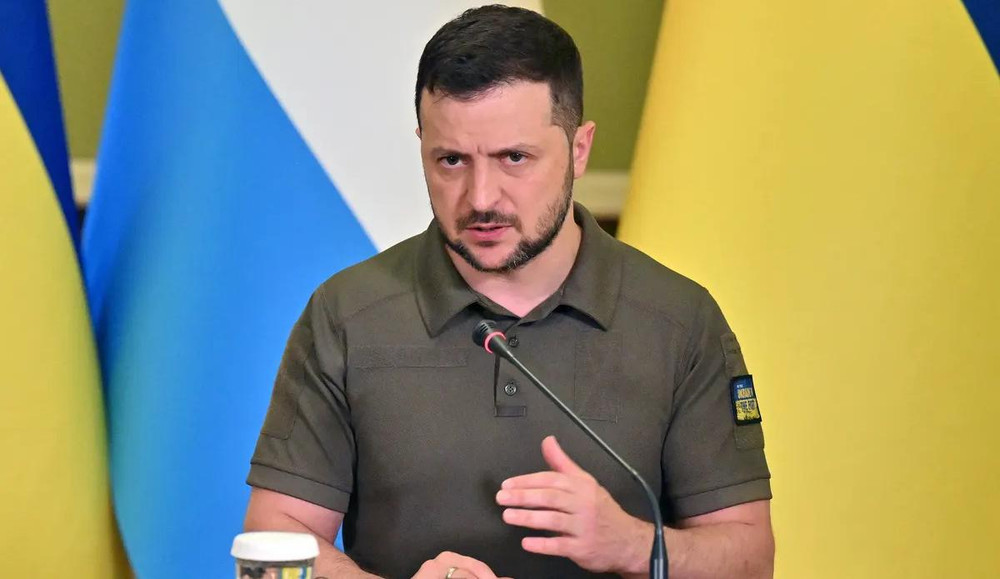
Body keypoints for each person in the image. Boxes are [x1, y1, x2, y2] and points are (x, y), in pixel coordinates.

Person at [243, 5, 774, 578]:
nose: (481, 198)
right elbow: (272, 545)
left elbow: (751, 561)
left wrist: (633, 546)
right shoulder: (347, 314)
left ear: (579, 149)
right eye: (451, 160)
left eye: (514, 158)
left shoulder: (680, 321)